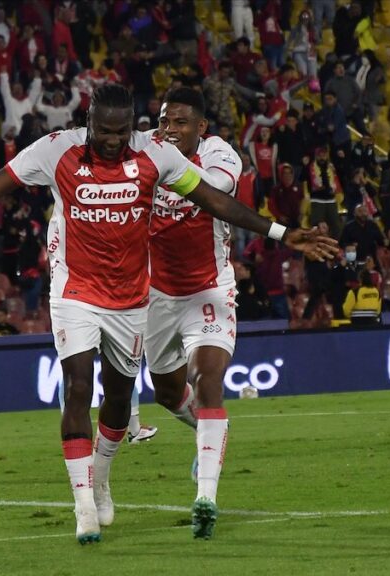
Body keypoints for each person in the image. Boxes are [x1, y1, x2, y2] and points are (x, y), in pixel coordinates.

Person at [0, 84, 338, 544]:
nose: (113, 141)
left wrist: (282, 233)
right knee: (77, 386)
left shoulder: (154, 154)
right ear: (88, 122)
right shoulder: (57, 149)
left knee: (119, 397)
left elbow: (212, 200)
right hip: (74, 291)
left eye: (121, 132)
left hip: (133, 297)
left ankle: (104, 475)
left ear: (131, 127)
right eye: (104, 131)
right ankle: (84, 508)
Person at [142, 88, 245, 494]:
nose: (169, 130)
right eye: (164, 121)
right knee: (167, 391)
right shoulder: (147, 147)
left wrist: (163, 167)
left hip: (209, 290)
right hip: (157, 295)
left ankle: (206, 493)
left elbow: (213, 190)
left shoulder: (221, 155)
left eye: (180, 122)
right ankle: (208, 427)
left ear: (201, 127)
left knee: (207, 379)